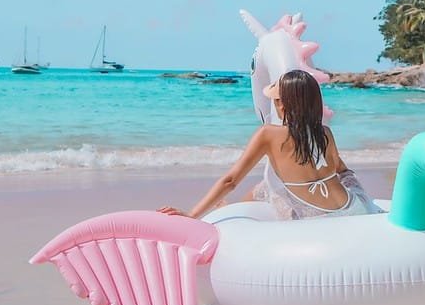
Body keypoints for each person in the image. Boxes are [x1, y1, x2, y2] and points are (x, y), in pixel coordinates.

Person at [159, 69, 381, 220]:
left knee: (267, 189)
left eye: (276, 101)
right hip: (352, 208)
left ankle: (233, 211)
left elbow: (230, 180)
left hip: (315, 216)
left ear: (282, 105)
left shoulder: (268, 134)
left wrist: (192, 215)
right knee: (270, 187)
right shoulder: (325, 133)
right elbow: (339, 170)